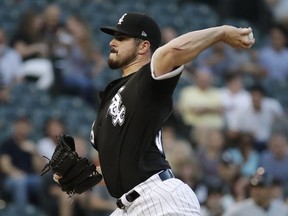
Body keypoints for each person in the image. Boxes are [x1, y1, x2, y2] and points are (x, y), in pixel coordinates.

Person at [54, 12, 255, 215]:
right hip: (129, 206)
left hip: (160, 197)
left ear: (143, 46)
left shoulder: (148, 81)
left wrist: (221, 32)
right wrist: (86, 176)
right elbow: (121, 166)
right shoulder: (110, 100)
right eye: (114, 37)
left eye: (122, 38)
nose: (113, 42)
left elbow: (173, 51)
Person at [223, 167, 288, 216]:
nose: (256, 191)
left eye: (261, 187)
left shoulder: (283, 210)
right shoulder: (237, 210)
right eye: (254, 187)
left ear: (270, 189)